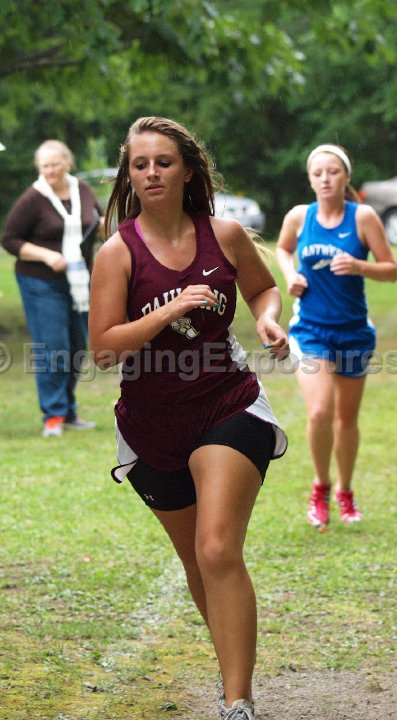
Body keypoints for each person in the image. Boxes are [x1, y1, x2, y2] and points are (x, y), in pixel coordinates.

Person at [88, 116, 289, 720]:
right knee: (197, 563)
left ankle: (237, 702)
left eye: (164, 162)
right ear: (129, 176)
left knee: (218, 548)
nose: (152, 172)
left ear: (187, 171)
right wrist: (169, 308)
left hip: (227, 403)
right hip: (150, 424)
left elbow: (262, 289)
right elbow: (103, 348)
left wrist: (267, 319)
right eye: (140, 164)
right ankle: (231, 671)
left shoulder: (223, 235)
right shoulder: (117, 253)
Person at [276, 143, 397, 531]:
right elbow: (283, 248)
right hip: (310, 330)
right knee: (319, 411)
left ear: (346, 177)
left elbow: (391, 270)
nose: (325, 179)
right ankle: (320, 488)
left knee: (346, 420)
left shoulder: (362, 217)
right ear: (310, 179)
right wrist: (291, 275)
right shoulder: (300, 216)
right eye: (318, 173)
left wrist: (360, 265)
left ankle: (346, 491)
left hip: (354, 332)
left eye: (333, 172)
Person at [2, 139, 102, 437]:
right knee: (54, 348)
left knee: (77, 346)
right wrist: (47, 256)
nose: (50, 171)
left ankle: (68, 412)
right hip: (40, 281)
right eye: (44, 166)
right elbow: (9, 240)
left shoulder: (81, 189)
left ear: (67, 163)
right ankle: (54, 416)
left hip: (78, 281)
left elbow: (96, 221)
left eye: (55, 165)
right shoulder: (33, 198)